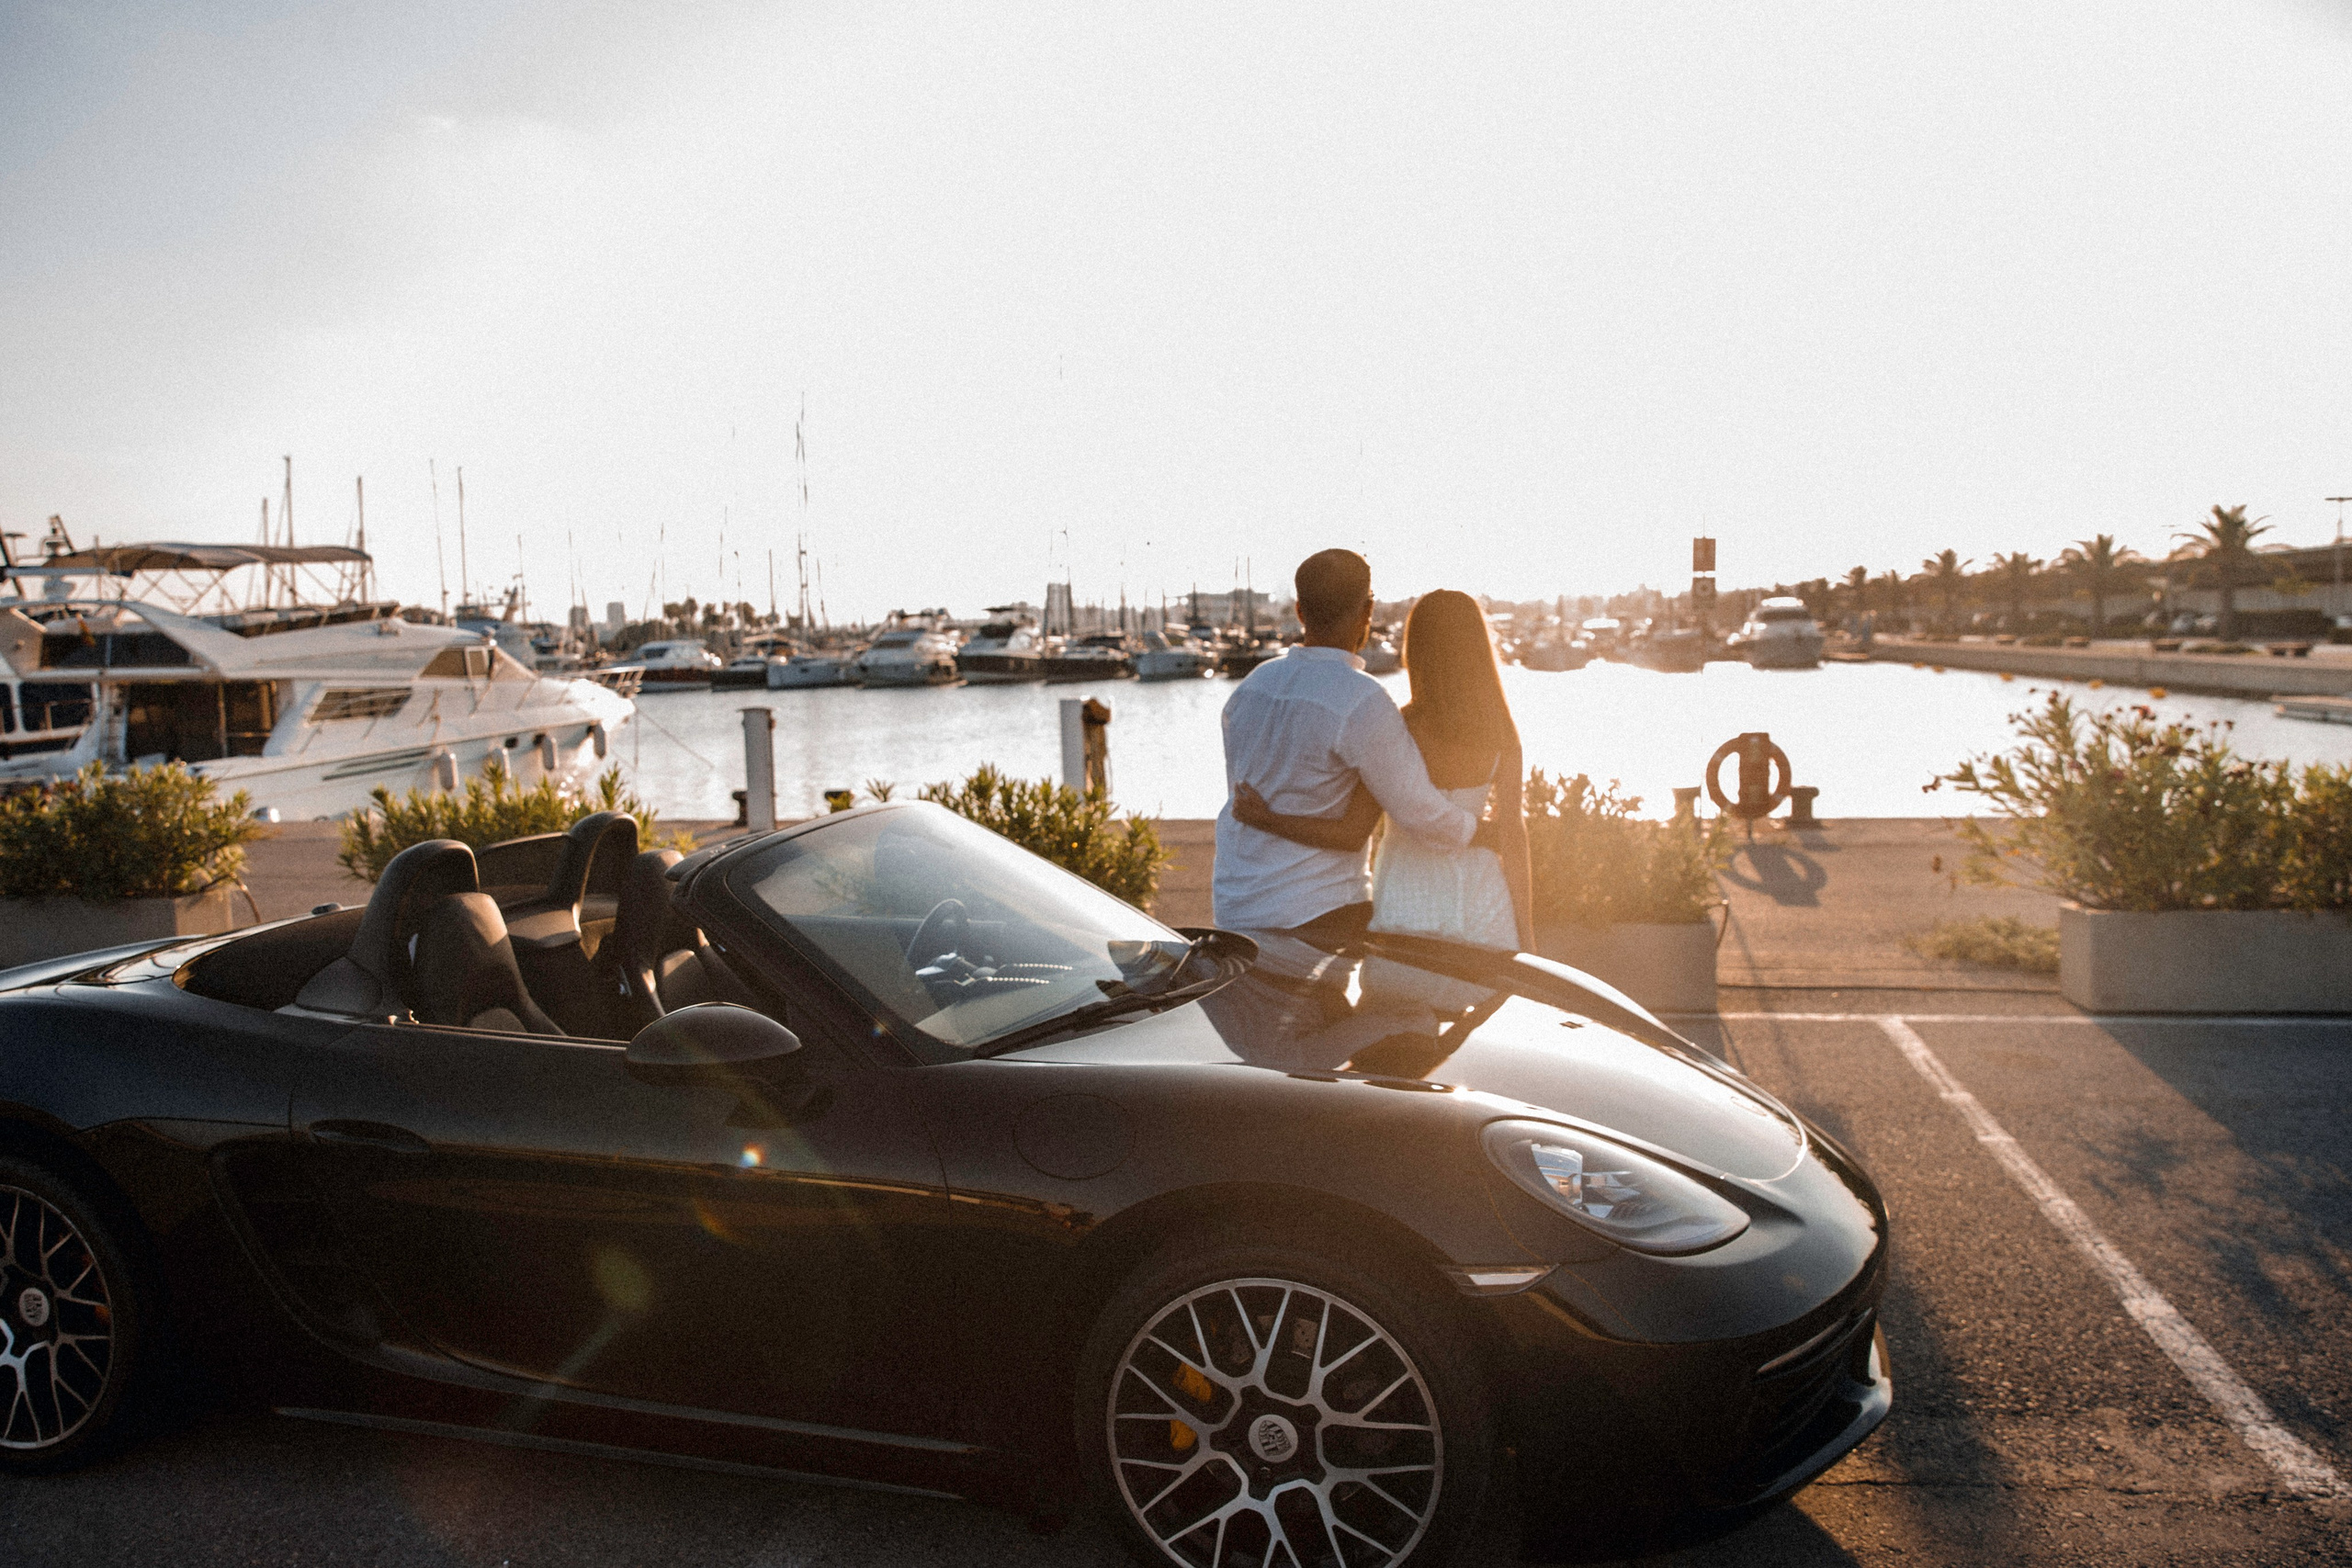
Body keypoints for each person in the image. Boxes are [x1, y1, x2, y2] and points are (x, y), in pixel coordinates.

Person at [1234, 588, 1534, 952]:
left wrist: (1269, 819)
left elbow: (1353, 829)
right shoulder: (1502, 731)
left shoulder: (1396, 726)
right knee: (1484, 996)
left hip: (1407, 896)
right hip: (1480, 897)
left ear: (1417, 649)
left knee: (1398, 1000)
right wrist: (1527, 937)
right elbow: (1514, 840)